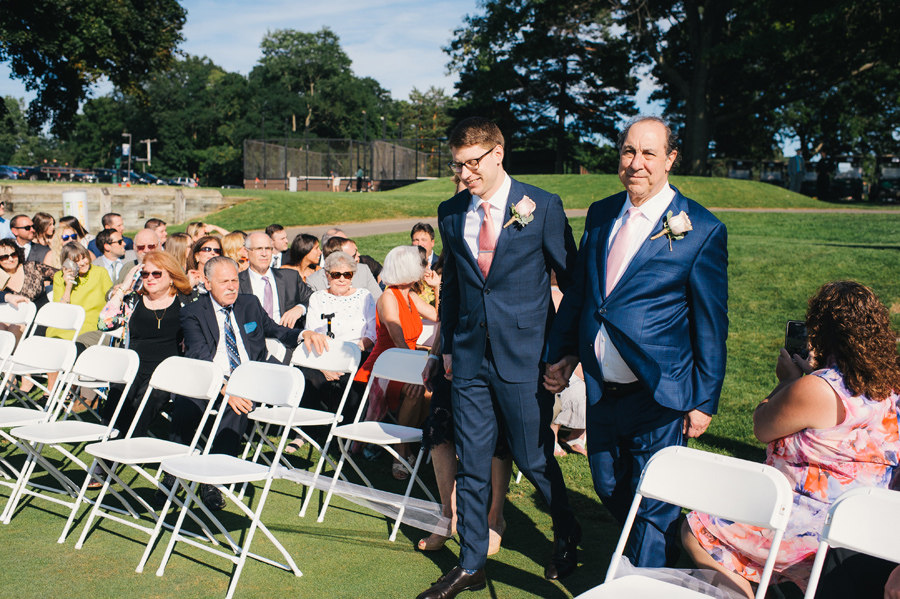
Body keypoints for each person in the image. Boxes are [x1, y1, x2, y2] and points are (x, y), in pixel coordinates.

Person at [544, 115, 728, 570]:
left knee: (656, 499)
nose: (636, 162)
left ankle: (644, 575)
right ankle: (664, 554)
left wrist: (704, 400)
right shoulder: (603, 212)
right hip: (604, 390)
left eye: (649, 152)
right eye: (629, 151)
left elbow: (710, 324)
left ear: (670, 159)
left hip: (661, 391)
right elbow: (584, 294)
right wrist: (563, 352)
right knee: (608, 485)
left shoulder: (701, 230)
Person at [417, 117, 580, 599]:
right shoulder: (450, 212)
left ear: (497, 154)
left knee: (532, 457)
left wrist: (564, 352)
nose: (464, 174)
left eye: (472, 163)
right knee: (471, 462)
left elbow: (573, 285)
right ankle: (471, 564)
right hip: (467, 360)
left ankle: (566, 530)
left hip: (525, 358)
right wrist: (444, 346)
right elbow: (454, 289)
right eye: (457, 165)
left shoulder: (541, 206)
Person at [682, 281, 900, 598]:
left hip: (812, 524)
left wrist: (787, 382)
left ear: (823, 332)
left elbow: (762, 425)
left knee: (697, 529)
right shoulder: (891, 388)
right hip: (867, 524)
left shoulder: (819, 388)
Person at [170, 256, 326, 508]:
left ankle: (213, 481)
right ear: (208, 284)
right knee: (187, 401)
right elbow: (198, 355)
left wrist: (303, 333)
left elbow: (276, 330)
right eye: (224, 282)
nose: (232, 287)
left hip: (251, 377)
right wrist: (222, 386)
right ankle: (175, 468)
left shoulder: (249, 303)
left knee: (238, 403)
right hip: (213, 376)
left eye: (234, 280)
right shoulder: (193, 312)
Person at [353, 246, 437, 479]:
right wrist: (415, 372)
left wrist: (437, 288)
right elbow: (397, 338)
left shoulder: (410, 296)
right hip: (385, 366)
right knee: (416, 391)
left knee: (430, 392)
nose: (424, 268)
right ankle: (400, 452)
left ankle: (404, 444)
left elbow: (440, 317)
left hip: (407, 362)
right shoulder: (388, 297)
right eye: (420, 265)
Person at [98, 251, 195, 438]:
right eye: (145, 274)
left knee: (147, 401)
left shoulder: (186, 301)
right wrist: (123, 288)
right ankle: (108, 449)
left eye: (157, 274)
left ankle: (121, 448)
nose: (150, 278)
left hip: (167, 370)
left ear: (172, 276)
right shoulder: (133, 300)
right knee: (118, 394)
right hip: (132, 366)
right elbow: (104, 323)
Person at [237, 232, 312, 331]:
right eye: (258, 249)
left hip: (286, 340)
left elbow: (314, 297)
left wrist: (300, 308)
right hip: (251, 342)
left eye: (268, 248)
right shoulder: (236, 283)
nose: (264, 254)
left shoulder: (290, 278)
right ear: (246, 252)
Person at [48, 242, 113, 348]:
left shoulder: (100, 272)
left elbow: (111, 297)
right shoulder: (59, 277)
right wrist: (68, 286)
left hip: (91, 323)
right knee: (55, 340)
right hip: (67, 322)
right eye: (76, 261)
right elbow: (59, 310)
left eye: (84, 258)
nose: (83, 263)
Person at [0, 238, 57, 338]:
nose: (11, 259)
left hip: (40, 318)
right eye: (5, 257)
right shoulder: (1, 276)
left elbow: (60, 275)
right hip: (14, 319)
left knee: (14, 328)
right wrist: (8, 297)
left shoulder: (32, 267)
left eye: (13, 254)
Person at [306, 236, 382, 300]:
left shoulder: (363, 270)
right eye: (354, 255)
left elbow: (378, 300)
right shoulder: (313, 281)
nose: (358, 257)